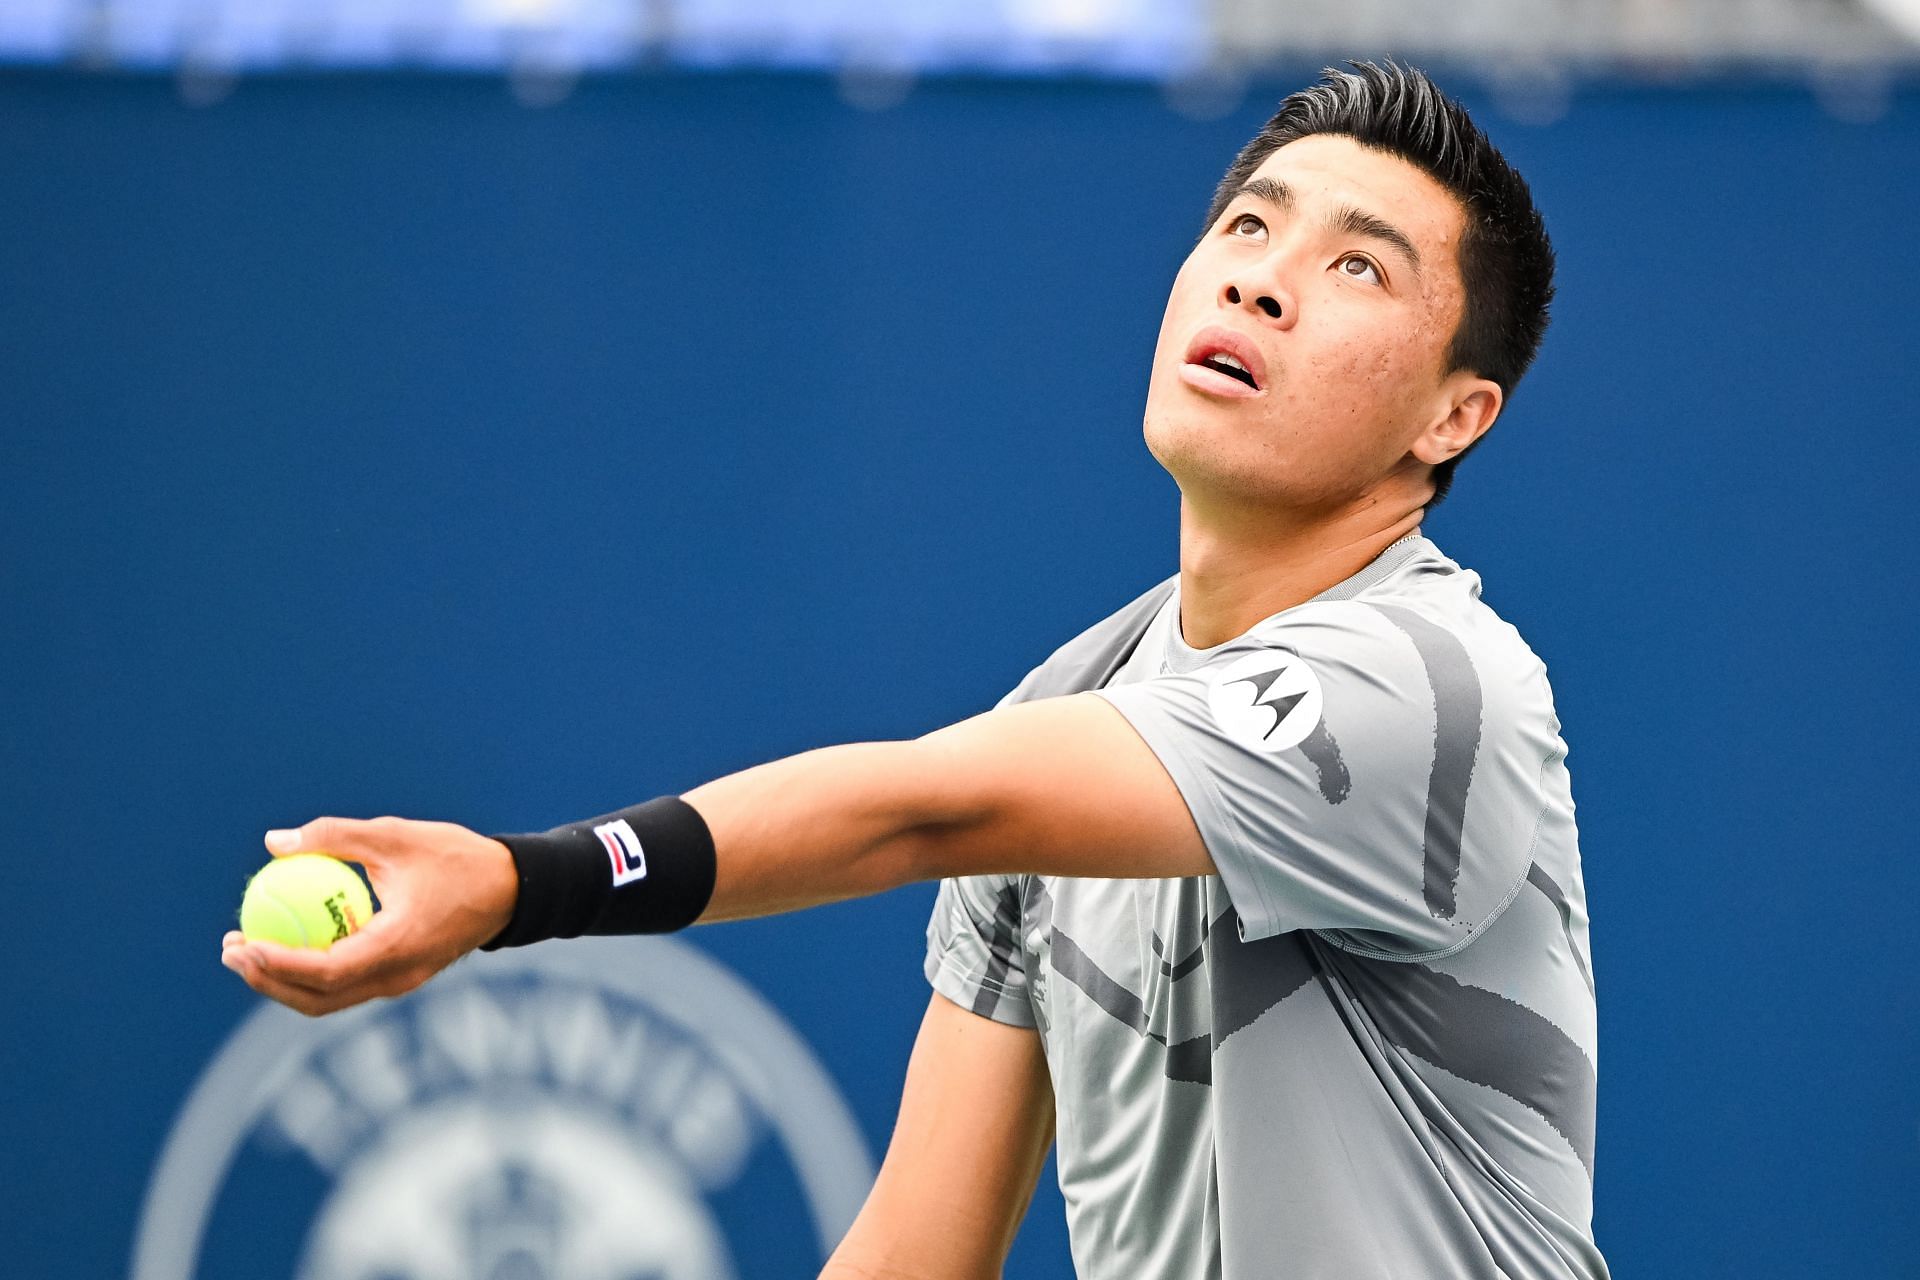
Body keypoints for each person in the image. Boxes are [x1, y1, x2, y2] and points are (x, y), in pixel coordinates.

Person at [222, 60, 1606, 1280]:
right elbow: (917, 1252)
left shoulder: (1427, 688)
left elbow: (924, 807)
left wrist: (527, 886)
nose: (1261, 276)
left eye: (1358, 265)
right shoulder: (1070, 712)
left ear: (1454, 414)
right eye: (1248, 225)